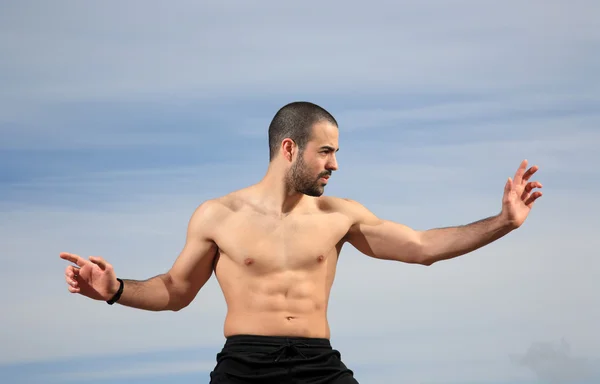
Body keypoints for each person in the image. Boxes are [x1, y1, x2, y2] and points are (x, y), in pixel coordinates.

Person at [59, 101, 543, 383]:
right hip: (244, 366)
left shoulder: (339, 215)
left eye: (336, 153)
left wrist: (503, 221)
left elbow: (420, 247)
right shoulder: (218, 215)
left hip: (318, 364)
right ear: (289, 148)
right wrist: (115, 289)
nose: (335, 165)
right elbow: (175, 291)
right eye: (326, 151)